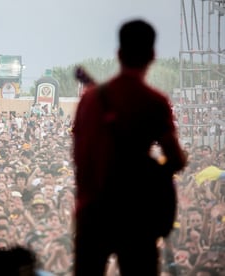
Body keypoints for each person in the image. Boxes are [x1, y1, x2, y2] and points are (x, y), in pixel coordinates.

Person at [72, 19, 187, 275]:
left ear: (119, 53)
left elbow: (80, 156)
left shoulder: (89, 100)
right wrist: (151, 174)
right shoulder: (154, 101)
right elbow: (176, 160)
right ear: (152, 56)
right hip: (136, 216)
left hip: (91, 212)